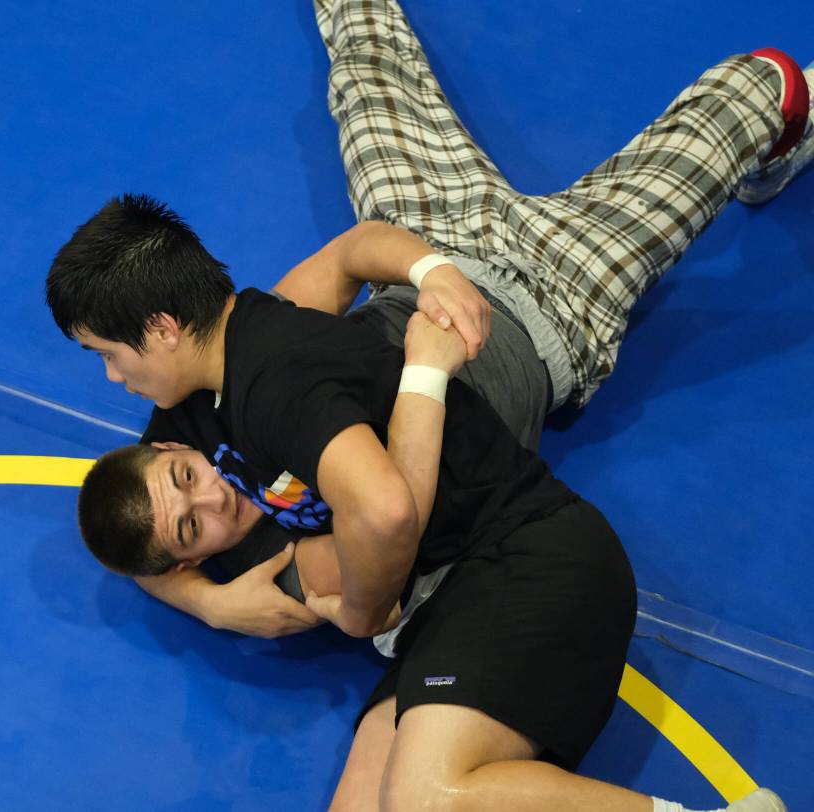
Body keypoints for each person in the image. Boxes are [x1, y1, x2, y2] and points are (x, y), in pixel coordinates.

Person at [46, 0, 811, 807]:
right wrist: (211, 602)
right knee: (744, 93)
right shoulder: (191, 414)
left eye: (108, 354)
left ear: (163, 328)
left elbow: (384, 515)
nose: (111, 377)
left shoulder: (279, 385)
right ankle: (766, 97)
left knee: (369, 69)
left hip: (543, 297)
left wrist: (363, 610)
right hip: (446, 257)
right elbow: (135, 536)